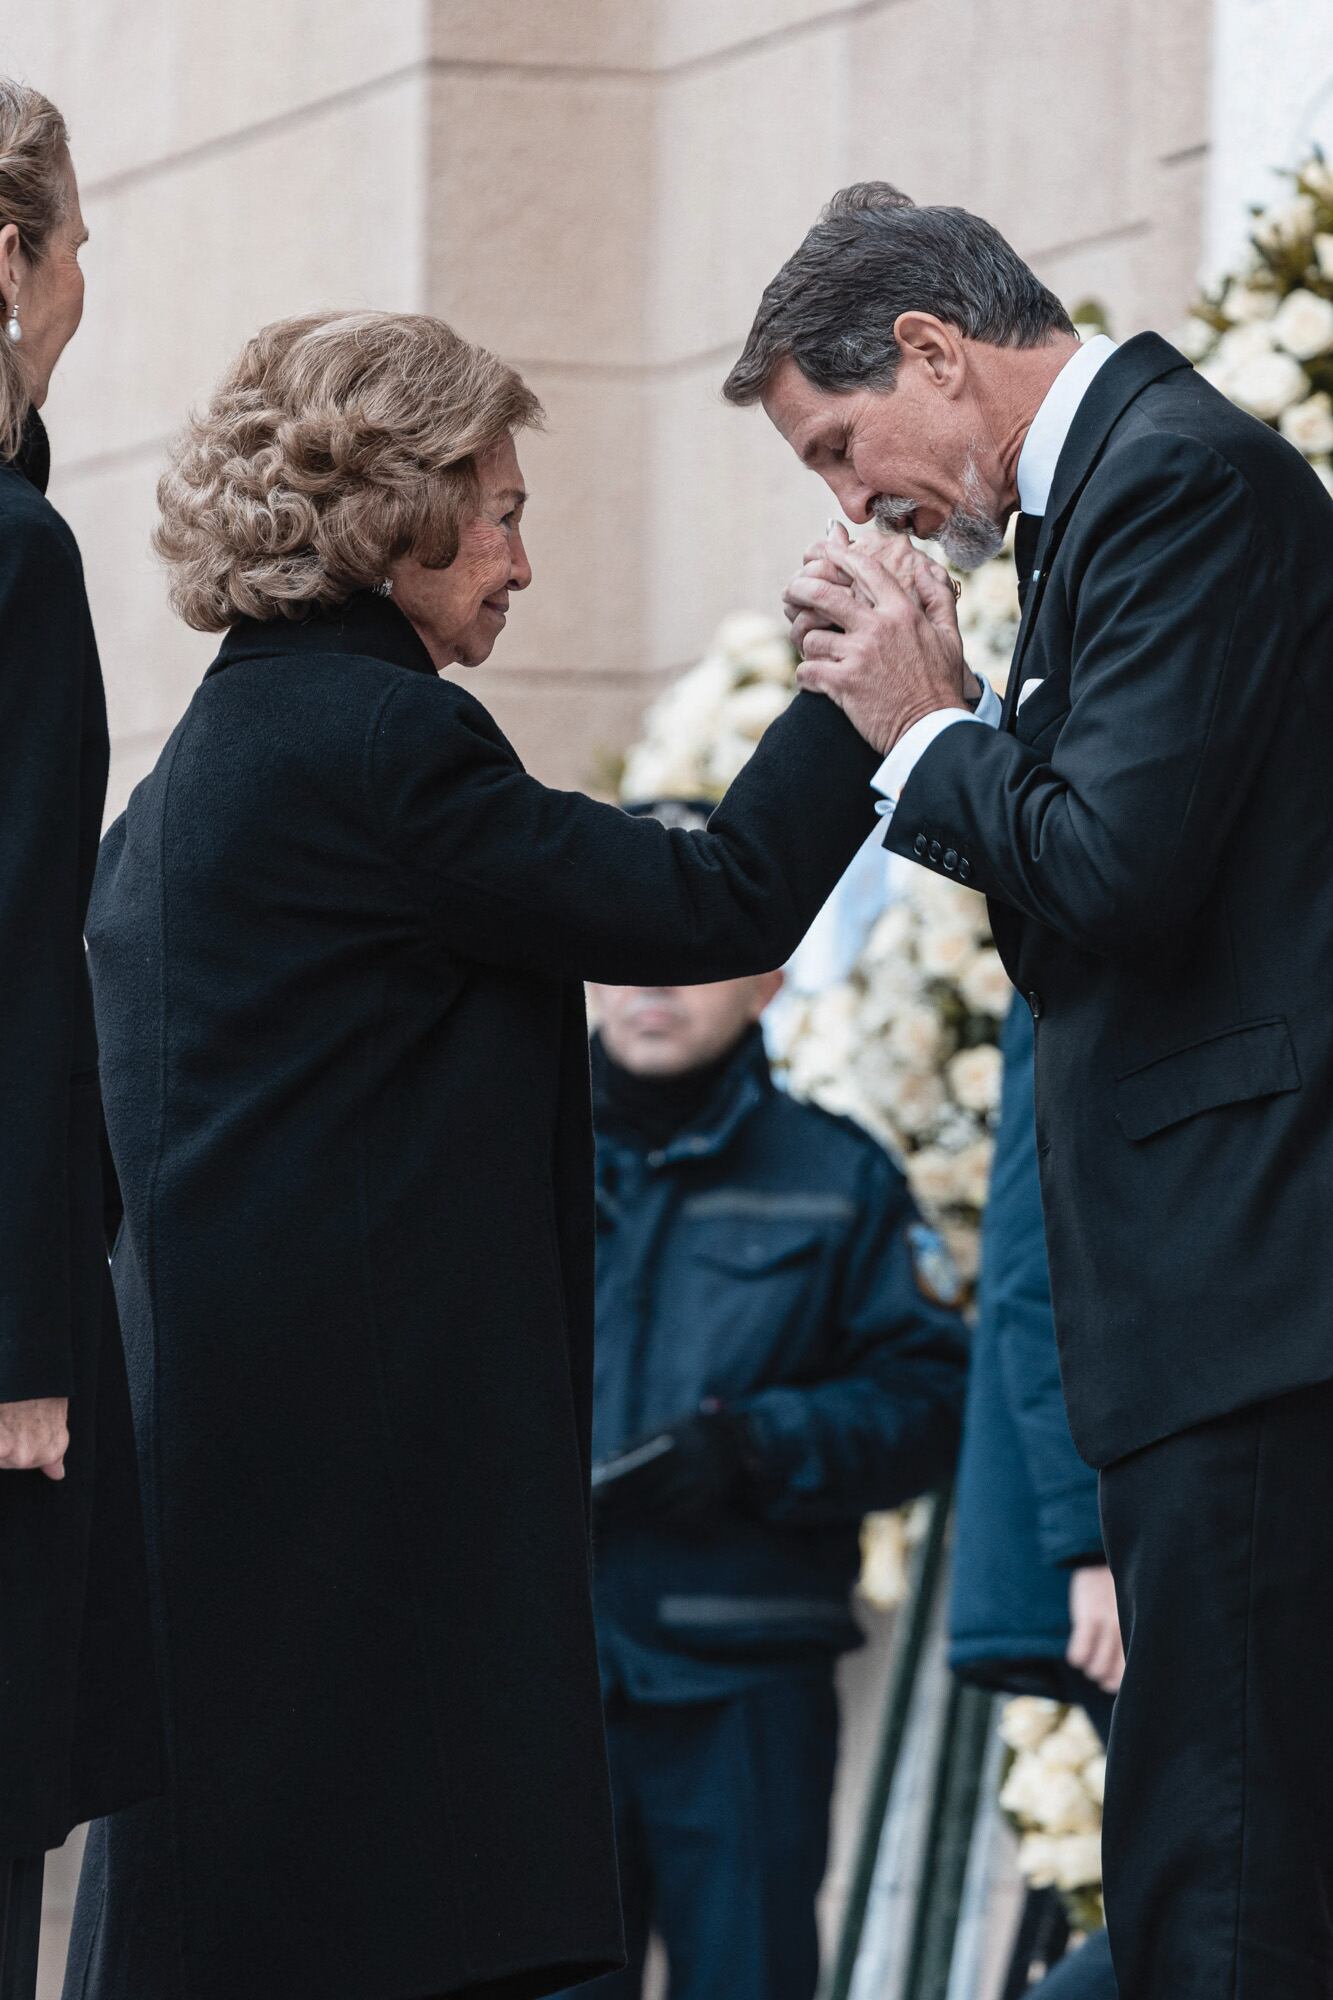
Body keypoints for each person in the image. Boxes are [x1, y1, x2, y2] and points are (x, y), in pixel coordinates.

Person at [68, 310, 900, 2000]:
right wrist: (855, 699)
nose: (523, 561)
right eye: (503, 512)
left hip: (231, 1485)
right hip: (353, 1517)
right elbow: (709, 902)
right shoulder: (378, 743)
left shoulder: (202, 768)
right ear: (397, 512)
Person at [725, 180, 1333, 1997]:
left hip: (1248, 1297)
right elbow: (1079, 920)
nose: (853, 505)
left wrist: (927, 723)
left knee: (1220, 1874)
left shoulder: (1174, 481)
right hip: (1213, 1309)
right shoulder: (1107, 505)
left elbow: (1111, 879)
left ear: (930, 350)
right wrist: (965, 726)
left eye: (839, 448)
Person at [551, 917, 967, 2000]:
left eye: (693, 958)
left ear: (769, 983)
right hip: (532, 1684)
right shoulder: (494, 1161)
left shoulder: (838, 1175)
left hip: (743, 1686)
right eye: (628, 954)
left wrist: (752, 1448)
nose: (653, 982)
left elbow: (928, 1400)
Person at [0, 75, 160, 1988]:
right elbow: (21, 956)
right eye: (77, 245)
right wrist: (25, 1347)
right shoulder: (17, 559)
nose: (85, 282)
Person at [949, 1000, 1118, 1999]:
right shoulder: (1085, 932)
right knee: (1231, 1891)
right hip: (1127, 1536)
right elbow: (1036, 1255)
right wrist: (1092, 1539)